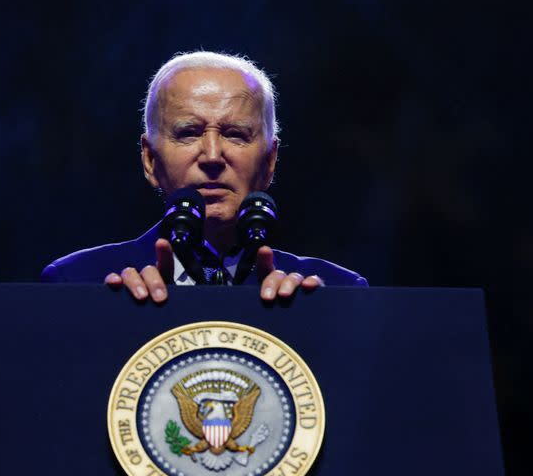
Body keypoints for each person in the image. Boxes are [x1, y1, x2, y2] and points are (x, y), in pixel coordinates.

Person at [41, 51, 367, 300]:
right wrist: (123, 323)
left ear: (270, 162)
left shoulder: (336, 293)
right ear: (150, 160)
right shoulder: (80, 284)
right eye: (188, 133)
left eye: (236, 134)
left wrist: (320, 323)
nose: (212, 156)